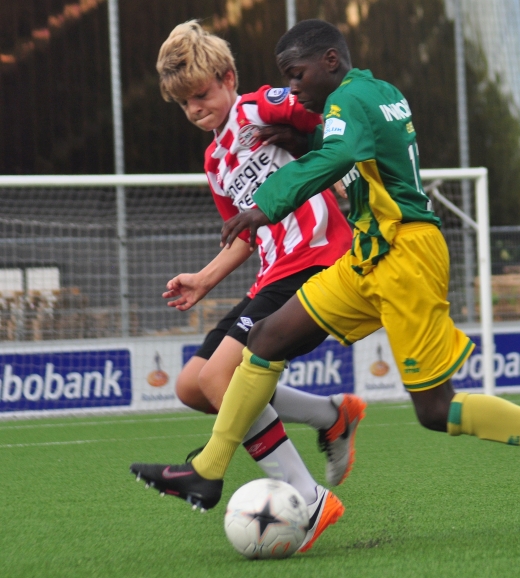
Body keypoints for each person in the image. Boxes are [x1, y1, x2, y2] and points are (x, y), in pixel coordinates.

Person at [131, 19, 520, 516]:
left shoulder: (351, 99)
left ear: (329, 62)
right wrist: (308, 145)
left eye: (297, 75)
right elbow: (351, 153)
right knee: (266, 339)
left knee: (435, 410)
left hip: (406, 254)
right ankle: (211, 469)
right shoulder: (372, 94)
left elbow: (341, 150)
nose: (293, 88)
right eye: (288, 79)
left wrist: (266, 204)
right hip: (370, 254)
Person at [131, 21, 365, 552]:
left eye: (201, 93)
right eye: (183, 103)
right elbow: (243, 233)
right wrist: (204, 280)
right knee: (193, 385)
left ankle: (307, 499)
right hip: (271, 272)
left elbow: (331, 113)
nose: (194, 107)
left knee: (222, 378)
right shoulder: (215, 161)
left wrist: (306, 135)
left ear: (228, 77)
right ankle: (333, 416)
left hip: (315, 259)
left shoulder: (260, 106)